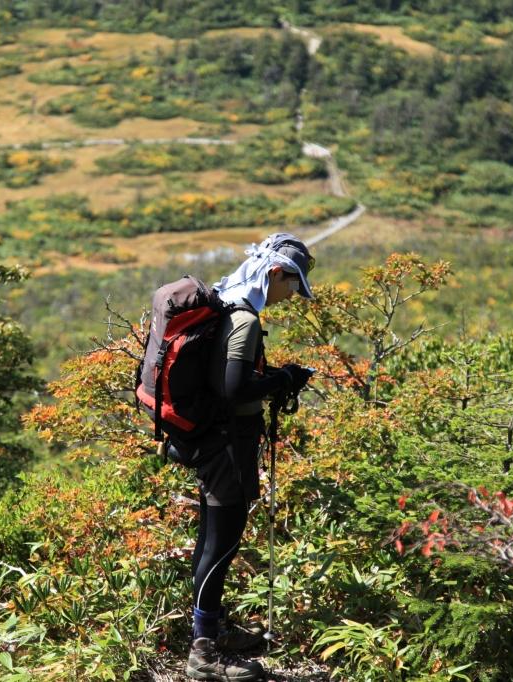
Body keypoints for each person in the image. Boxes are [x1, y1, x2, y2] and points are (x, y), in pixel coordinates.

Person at [185, 233, 316, 682]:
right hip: (227, 445)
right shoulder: (243, 318)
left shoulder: (226, 300)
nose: (292, 296)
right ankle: (203, 653)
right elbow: (235, 388)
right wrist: (285, 380)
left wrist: (276, 378)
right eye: (293, 285)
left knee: (212, 537)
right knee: (222, 542)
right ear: (276, 273)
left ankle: (212, 630)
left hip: (211, 439)